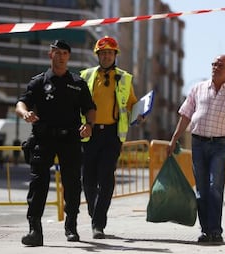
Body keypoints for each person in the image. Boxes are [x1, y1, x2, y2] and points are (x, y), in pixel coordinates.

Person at [167, 54, 225, 244]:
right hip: (198, 143)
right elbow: (185, 115)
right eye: (214, 64)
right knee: (201, 190)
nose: (215, 67)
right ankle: (205, 231)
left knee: (214, 187)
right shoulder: (198, 88)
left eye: (220, 65)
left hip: (220, 144)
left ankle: (216, 231)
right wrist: (173, 139)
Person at [15, 40, 96, 246]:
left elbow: (90, 108)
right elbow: (21, 102)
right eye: (57, 52)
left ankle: (71, 227)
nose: (60, 56)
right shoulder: (39, 82)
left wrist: (89, 125)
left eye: (64, 53)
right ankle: (35, 231)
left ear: (69, 56)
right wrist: (25, 113)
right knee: (38, 183)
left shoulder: (77, 83)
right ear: (50, 55)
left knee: (72, 184)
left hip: (70, 139)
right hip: (44, 138)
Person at [80, 36, 140, 239]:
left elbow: (132, 104)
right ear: (97, 55)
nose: (106, 56)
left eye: (110, 53)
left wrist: (139, 113)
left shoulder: (124, 78)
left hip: (112, 135)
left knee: (106, 179)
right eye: (103, 53)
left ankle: (98, 224)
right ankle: (94, 211)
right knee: (87, 179)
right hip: (90, 133)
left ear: (115, 55)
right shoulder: (85, 75)